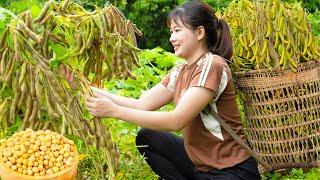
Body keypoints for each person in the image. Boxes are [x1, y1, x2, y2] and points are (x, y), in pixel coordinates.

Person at [85, 1, 261, 180]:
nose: (171, 38)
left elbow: (176, 121)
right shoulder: (181, 71)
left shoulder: (212, 65)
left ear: (200, 32)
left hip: (233, 171)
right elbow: (142, 104)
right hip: (202, 168)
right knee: (148, 137)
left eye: (177, 31)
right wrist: (86, 88)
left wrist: (114, 111)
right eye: (171, 32)